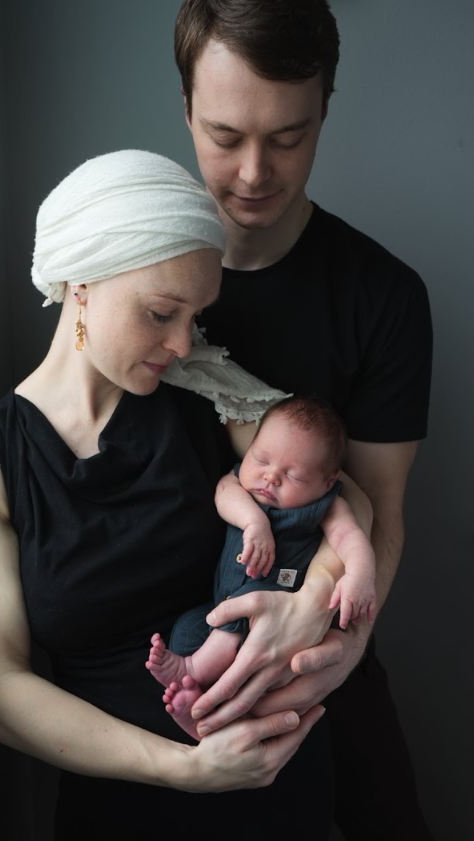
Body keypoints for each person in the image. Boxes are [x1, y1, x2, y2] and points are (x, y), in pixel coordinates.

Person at [0, 149, 374, 839]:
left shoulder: (207, 391)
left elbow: (343, 495)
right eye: (161, 312)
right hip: (125, 806)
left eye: (195, 315)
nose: (181, 341)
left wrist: (317, 600)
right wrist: (187, 767)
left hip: (275, 786)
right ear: (82, 283)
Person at [173, 2, 434, 839]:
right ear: (185, 110)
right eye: (225, 135)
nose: (254, 172)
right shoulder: (132, 283)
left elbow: (381, 509)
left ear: (325, 110)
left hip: (320, 651)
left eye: (288, 137)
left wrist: (334, 632)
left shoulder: (384, 298)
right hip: (166, 662)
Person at [147, 394, 376, 740]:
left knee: (249, 603)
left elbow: (352, 538)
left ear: (327, 483)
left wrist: (360, 576)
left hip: (274, 618)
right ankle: (199, 712)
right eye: (261, 459)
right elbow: (224, 493)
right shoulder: (242, 487)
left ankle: (194, 673)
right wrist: (255, 522)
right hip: (220, 610)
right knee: (190, 627)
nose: (270, 478)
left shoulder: (326, 507)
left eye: (294, 476)